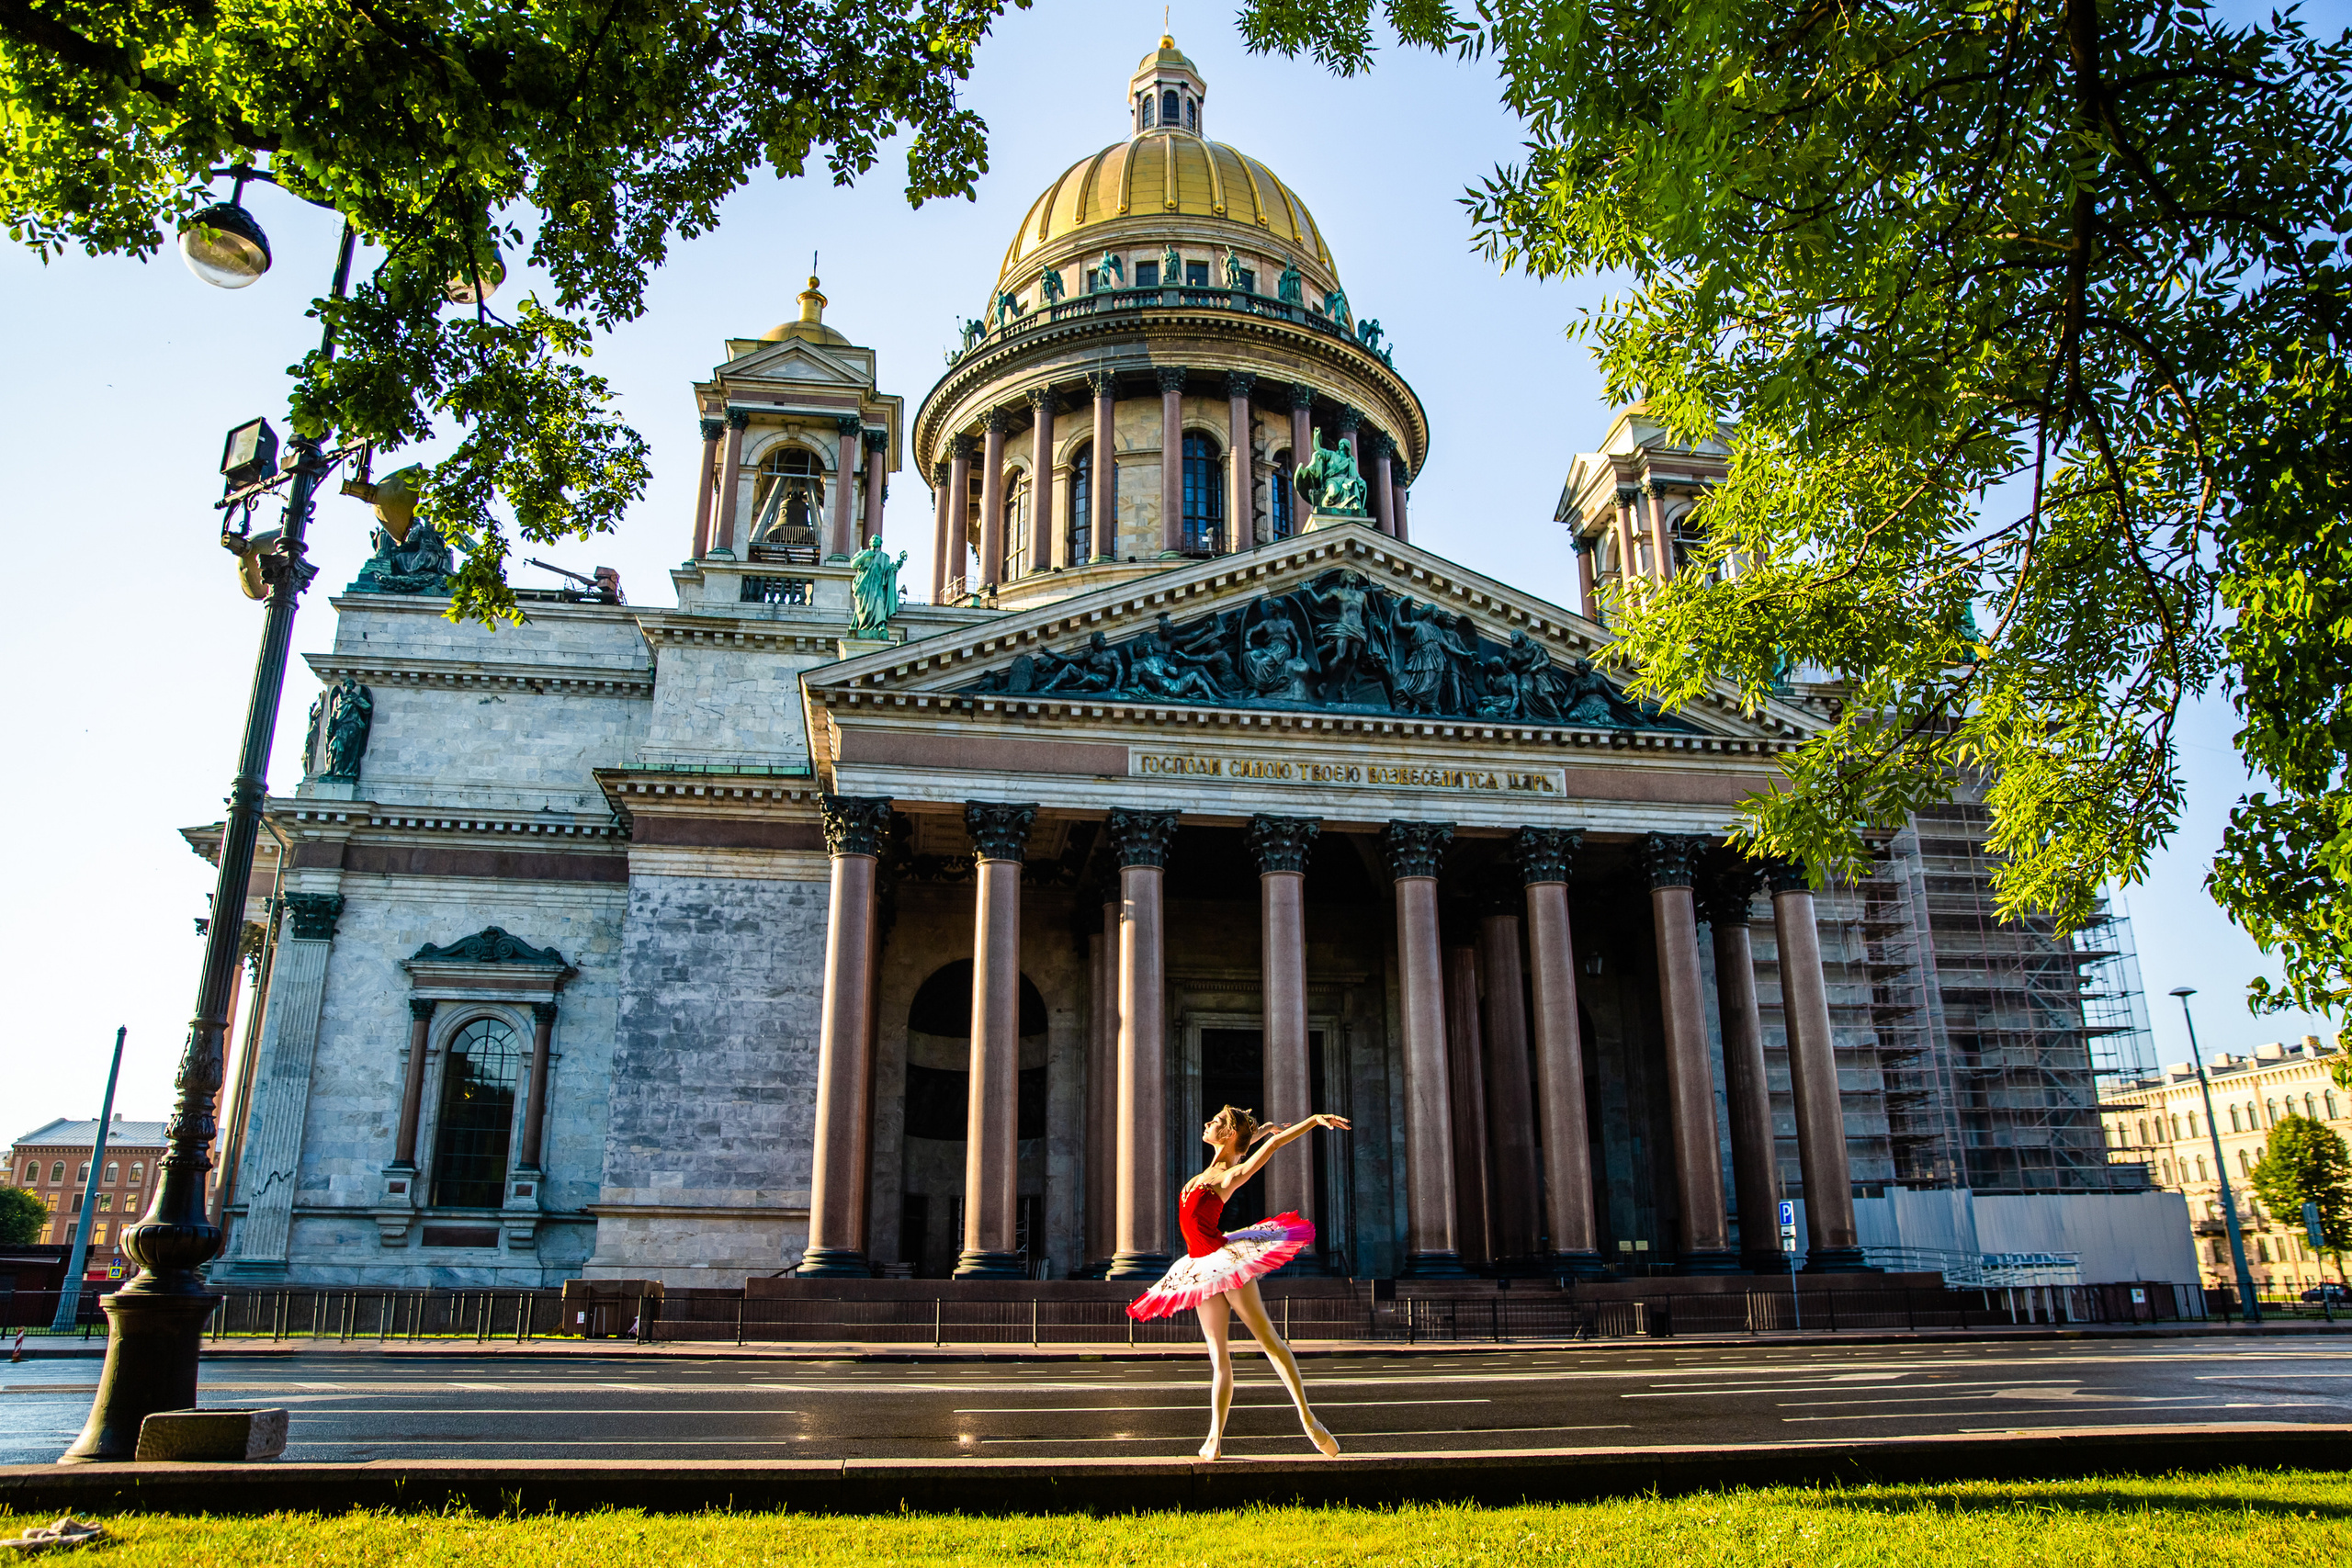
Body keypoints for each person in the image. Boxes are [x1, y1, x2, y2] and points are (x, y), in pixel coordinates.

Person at [1125, 1103, 1352, 1460]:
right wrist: (1259, 1131)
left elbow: (1268, 1151)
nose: (1207, 1123)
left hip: (1224, 1262)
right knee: (1219, 1358)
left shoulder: (1229, 1177)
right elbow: (1244, 1146)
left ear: (1227, 1134)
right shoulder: (1212, 1169)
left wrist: (1310, 1121)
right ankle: (1214, 1439)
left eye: (1215, 1122)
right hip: (1200, 1268)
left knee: (1268, 1338)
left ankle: (1307, 1418)